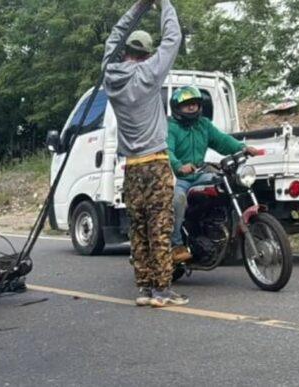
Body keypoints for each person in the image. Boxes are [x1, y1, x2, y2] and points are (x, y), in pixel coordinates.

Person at [103, 0, 185, 307]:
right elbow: (172, 37)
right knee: (160, 227)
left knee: (138, 230)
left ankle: (145, 288)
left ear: (125, 52)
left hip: (132, 168)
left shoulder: (110, 75)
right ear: (147, 54)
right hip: (156, 163)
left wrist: (139, 6)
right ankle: (162, 291)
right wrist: (162, 3)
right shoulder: (150, 73)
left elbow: (115, 34)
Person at [167, 86, 258, 255]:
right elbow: (168, 151)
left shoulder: (204, 125)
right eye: (187, 104)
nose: (192, 107)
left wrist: (242, 148)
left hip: (200, 174)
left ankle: (220, 229)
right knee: (178, 199)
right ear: (177, 108)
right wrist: (179, 166)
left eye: (195, 103)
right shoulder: (171, 127)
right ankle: (176, 244)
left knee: (227, 183)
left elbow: (222, 141)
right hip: (179, 178)